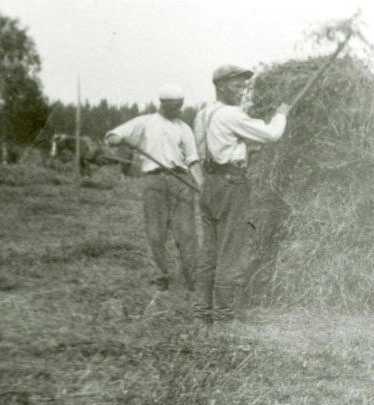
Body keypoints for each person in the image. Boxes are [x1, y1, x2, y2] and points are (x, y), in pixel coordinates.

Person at [192, 65, 290, 323]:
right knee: (231, 251)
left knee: (209, 252)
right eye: (237, 86)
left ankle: (202, 313)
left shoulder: (203, 114)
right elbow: (271, 134)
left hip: (210, 184)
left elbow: (220, 146)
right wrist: (281, 114)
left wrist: (245, 151)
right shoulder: (231, 115)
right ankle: (224, 317)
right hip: (231, 186)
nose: (242, 91)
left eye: (244, 86)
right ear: (221, 86)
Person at [105, 84, 202, 291]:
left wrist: (202, 186)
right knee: (156, 233)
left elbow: (193, 160)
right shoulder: (145, 122)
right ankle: (162, 277)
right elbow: (112, 137)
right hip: (154, 182)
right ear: (164, 104)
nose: (180, 110)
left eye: (181, 106)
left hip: (181, 180)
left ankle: (193, 279)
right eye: (176, 106)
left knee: (187, 233)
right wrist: (122, 139)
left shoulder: (184, 128)